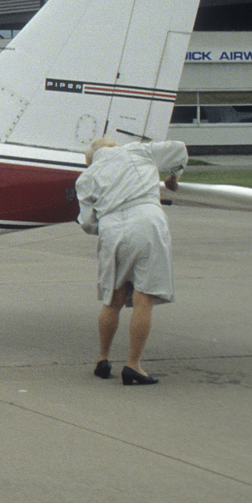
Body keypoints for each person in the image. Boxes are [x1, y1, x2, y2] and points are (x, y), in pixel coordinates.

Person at [75, 137, 188, 385]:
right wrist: (173, 177)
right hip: (147, 220)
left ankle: (103, 359)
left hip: (111, 228)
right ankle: (133, 365)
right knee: (143, 298)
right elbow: (179, 149)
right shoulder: (138, 151)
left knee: (112, 300)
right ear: (113, 146)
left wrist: (107, 225)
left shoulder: (86, 178)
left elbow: (87, 223)